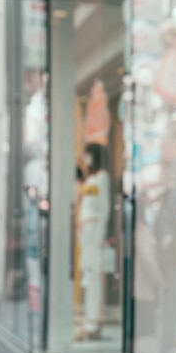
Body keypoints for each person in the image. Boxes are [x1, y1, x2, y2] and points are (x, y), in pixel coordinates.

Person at [76, 143, 111, 341]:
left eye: (87, 154)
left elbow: (104, 208)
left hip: (94, 233)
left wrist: (99, 237)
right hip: (85, 232)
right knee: (88, 277)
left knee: (94, 279)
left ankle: (93, 322)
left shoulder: (102, 177)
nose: (85, 157)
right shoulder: (90, 178)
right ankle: (89, 320)